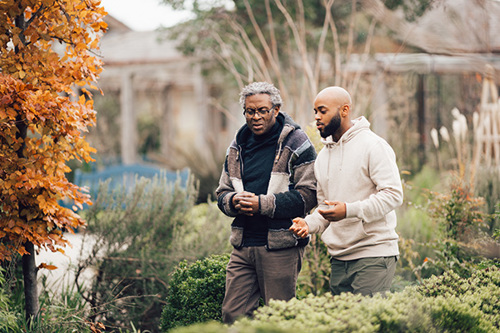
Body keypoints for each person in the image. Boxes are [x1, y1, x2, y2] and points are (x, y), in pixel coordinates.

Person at [216, 82, 317, 323]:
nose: (256, 116)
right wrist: (233, 201)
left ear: (276, 109)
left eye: (262, 110)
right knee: (233, 315)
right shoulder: (237, 146)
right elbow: (222, 192)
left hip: (281, 246)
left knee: (279, 319)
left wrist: (262, 204)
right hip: (243, 245)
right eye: (250, 111)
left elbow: (308, 196)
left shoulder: (297, 143)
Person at [290, 86, 403, 296]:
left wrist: (349, 210)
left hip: (373, 254)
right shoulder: (323, 157)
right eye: (315, 111)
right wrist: (308, 223)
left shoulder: (373, 146)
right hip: (339, 259)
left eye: (322, 111)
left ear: (344, 110)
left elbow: (393, 195)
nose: (317, 117)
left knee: (366, 325)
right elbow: (326, 208)